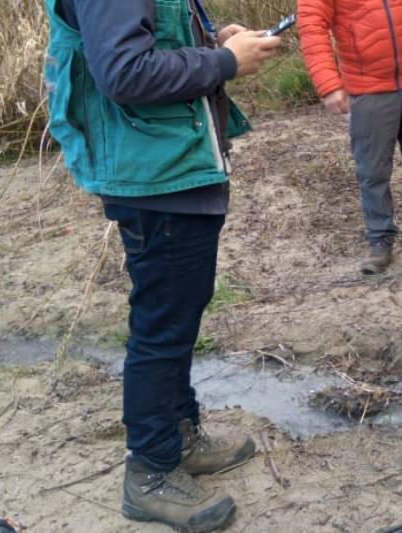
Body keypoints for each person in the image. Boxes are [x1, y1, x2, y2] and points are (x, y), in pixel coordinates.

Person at [44, 1, 281, 530]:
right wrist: (223, 63)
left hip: (170, 168)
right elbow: (125, 71)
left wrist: (216, 42)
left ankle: (178, 436)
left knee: (178, 312)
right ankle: (149, 471)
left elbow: (148, 41)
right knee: (163, 326)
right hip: (156, 178)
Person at [297, 0, 402, 274]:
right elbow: (312, 28)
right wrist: (328, 83)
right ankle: (379, 239)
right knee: (372, 171)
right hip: (366, 88)